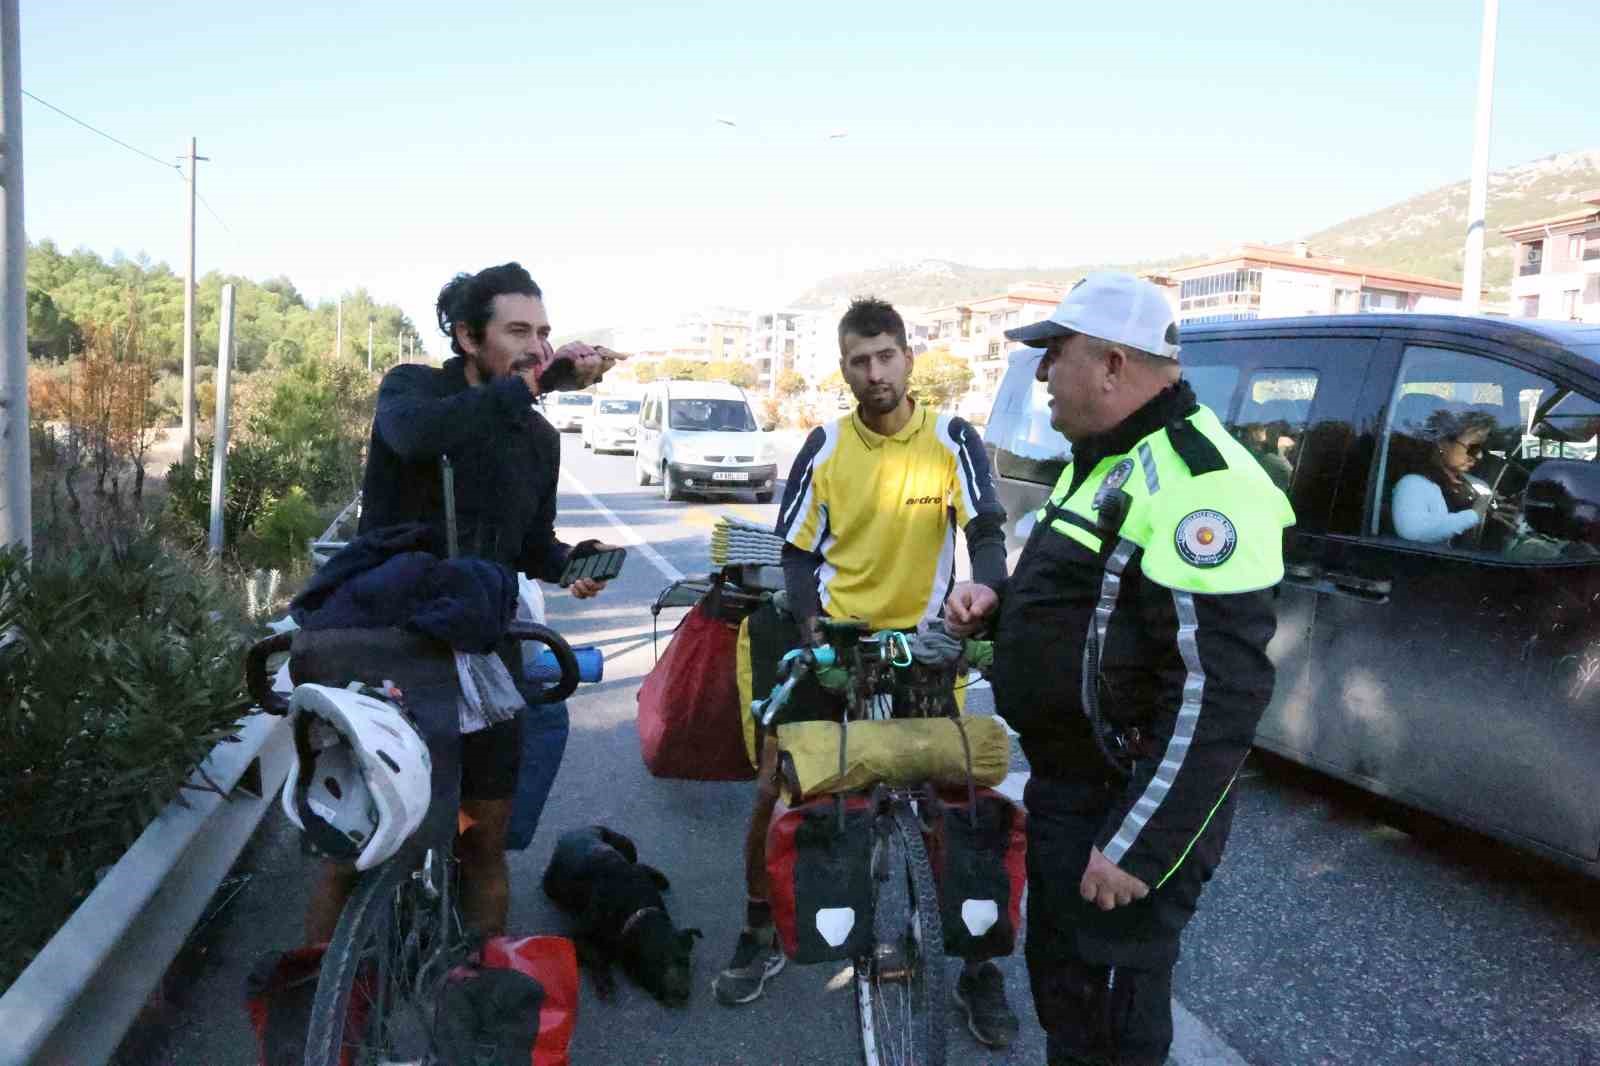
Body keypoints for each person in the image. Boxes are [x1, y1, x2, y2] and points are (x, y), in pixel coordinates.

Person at [944, 273, 1294, 1066]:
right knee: (1066, 990)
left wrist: (1138, 844)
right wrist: (995, 601)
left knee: (1115, 1011)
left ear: (1110, 364)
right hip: (1072, 785)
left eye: (1052, 354)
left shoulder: (1204, 485)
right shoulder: (1104, 458)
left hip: (1122, 797)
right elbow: (1082, 595)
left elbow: (1221, 693)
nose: (1039, 375)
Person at [713, 297, 1022, 1049]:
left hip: (923, 647)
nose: (874, 372)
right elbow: (795, 553)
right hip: (838, 640)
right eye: (859, 360)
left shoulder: (952, 438)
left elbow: (983, 528)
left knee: (962, 799)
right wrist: (817, 631)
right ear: (845, 367)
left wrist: (982, 589)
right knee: (779, 785)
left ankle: (976, 961)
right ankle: (759, 927)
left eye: (886, 356)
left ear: (909, 358)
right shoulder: (824, 445)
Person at [304, 262, 625, 944]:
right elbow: (417, 438)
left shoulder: (536, 439)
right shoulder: (413, 389)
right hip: (388, 641)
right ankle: (316, 1019)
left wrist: (572, 566)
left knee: (482, 846)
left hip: (484, 644)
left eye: (544, 332)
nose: (538, 345)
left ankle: (478, 999)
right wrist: (533, 385)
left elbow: (531, 546)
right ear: (467, 336)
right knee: (351, 851)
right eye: (518, 330)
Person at [1390, 408, 1499, 544]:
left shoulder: (1478, 485)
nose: (1479, 456)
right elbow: (1413, 534)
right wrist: (1474, 515)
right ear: (1443, 442)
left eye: (1482, 449)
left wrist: (1497, 517)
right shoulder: (1412, 484)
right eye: (1473, 447)